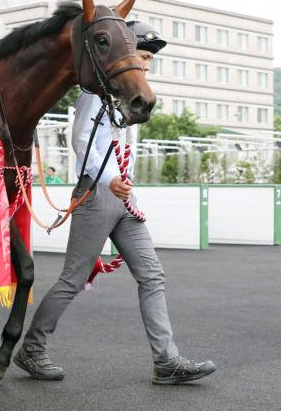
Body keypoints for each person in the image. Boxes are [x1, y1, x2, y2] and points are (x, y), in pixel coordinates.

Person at [14, 21, 217, 385]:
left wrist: (126, 185)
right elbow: (81, 142)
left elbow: (124, 146)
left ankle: (166, 361)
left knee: (152, 275)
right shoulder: (95, 93)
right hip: (98, 192)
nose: (146, 65)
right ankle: (32, 347)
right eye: (143, 55)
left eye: (149, 59)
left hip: (124, 197)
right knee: (72, 279)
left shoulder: (128, 92)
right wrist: (111, 180)